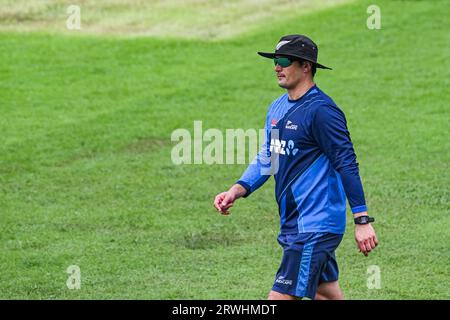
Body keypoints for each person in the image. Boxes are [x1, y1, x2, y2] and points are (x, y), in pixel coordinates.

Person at [213, 34, 378, 300]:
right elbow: (268, 156)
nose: (277, 66)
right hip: (294, 225)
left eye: (284, 60)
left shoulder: (322, 111)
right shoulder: (277, 108)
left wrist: (362, 220)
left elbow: (346, 163)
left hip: (315, 226)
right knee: (325, 294)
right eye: (275, 60)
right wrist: (237, 189)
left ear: (306, 66)